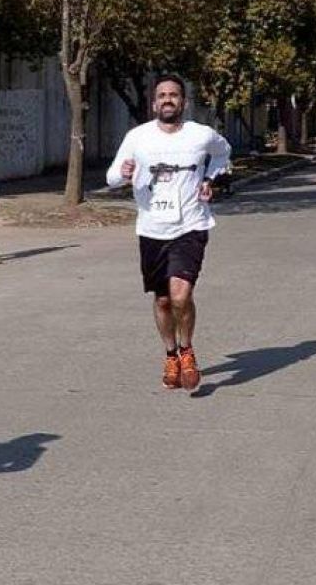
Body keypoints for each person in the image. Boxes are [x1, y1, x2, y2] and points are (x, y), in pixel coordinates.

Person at [106, 74, 230, 392]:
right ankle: (170, 354)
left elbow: (223, 152)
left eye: (173, 95)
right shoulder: (137, 137)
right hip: (151, 229)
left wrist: (209, 178)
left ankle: (187, 350)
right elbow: (110, 177)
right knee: (163, 302)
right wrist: (123, 173)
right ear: (154, 103)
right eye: (162, 95)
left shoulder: (200, 135)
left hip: (190, 225)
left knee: (180, 295)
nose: (167, 100)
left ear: (183, 102)